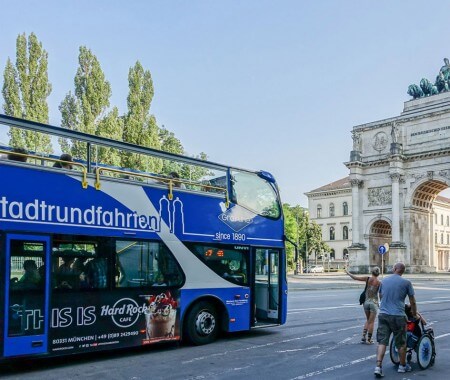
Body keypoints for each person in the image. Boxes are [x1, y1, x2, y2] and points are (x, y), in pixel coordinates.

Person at [374, 262, 416, 377]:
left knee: (382, 341)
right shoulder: (407, 283)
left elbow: (381, 296)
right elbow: (412, 300)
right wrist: (414, 313)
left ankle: (378, 367)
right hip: (398, 316)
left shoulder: (384, 281)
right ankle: (402, 366)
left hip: (383, 314)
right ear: (402, 271)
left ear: (395, 269)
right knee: (401, 342)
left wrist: (385, 305)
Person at [345, 266, 381, 344]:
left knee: (368, 320)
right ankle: (369, 339)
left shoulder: (367, 279)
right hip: (374, 303)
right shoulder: (379, 283)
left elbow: (355, 278)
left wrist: (348, 273)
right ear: (378, 274)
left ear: (372, 272)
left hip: (366, 302)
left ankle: (363, 336)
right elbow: (381, 294)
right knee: (371, 322)